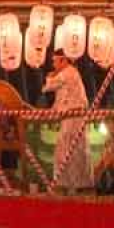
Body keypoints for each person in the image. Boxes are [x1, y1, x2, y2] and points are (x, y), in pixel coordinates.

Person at [43, 49, 91, 190]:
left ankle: (70, 184)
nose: (53, 65)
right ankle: (71, 184)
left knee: (69, 150)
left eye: (55, 61)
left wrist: (49, 76)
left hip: (74, 116)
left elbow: (50, 86)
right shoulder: (70, 73)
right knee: (71, 149)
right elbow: (60, 97)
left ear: (63, 60)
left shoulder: (69, 72)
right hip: (72, 116)